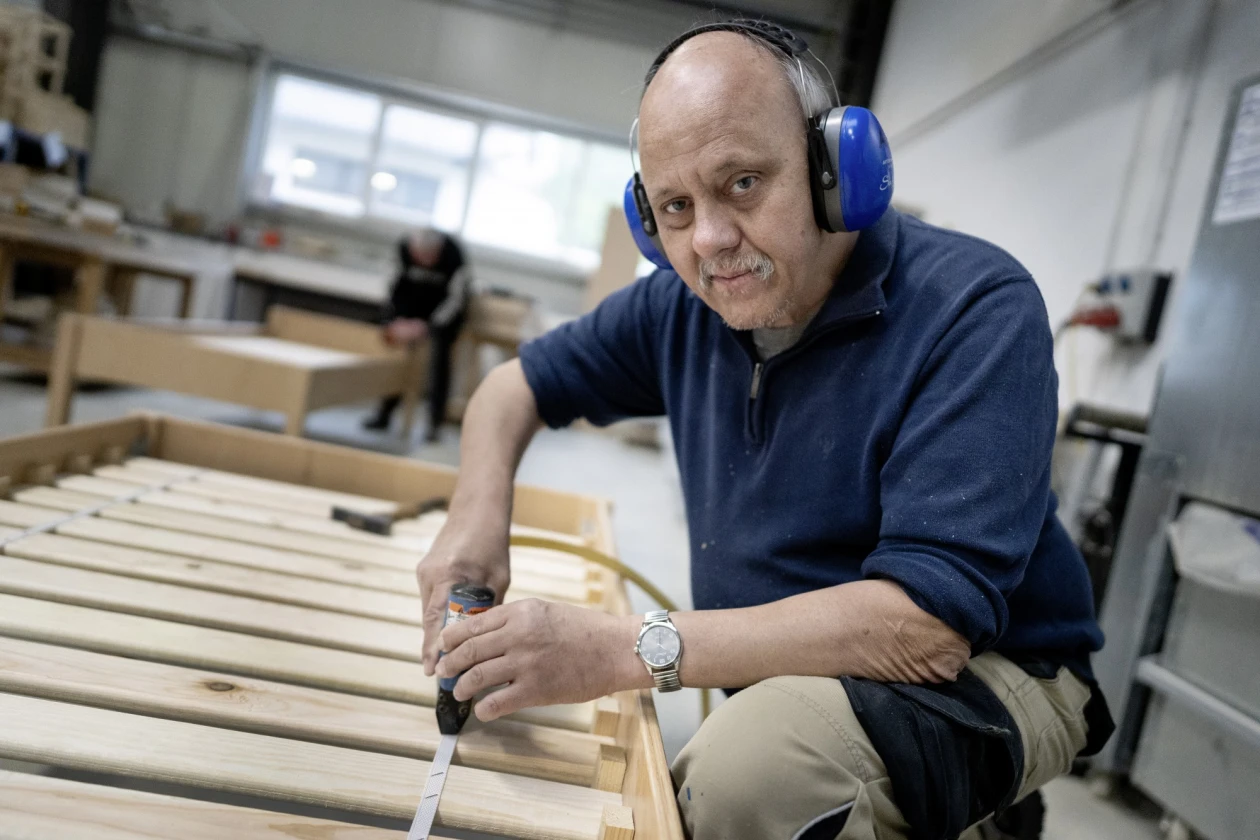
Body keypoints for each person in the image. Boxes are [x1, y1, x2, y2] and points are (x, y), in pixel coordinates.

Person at [417, 19, 1113, 840]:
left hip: (996, 664)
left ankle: (972, 800)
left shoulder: (975, 308)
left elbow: (925, 628)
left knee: (752, 773)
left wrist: (619, 648)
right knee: (764, 735)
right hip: (801, 670)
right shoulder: (684, 304)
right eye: (675, 207)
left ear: (835, 170)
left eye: (742, 182)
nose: (709, 240)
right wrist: (474, 520)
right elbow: (513, 386)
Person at [364, 228, 470, 442]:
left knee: (440, 362)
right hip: (408, 311)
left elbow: (456, 301)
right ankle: (384, 413)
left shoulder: (454, 256)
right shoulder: (402, 250)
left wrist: (429, 326)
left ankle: (434, 423)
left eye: (429, 257)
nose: (423, 262)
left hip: (441, 316)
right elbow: (392, 287)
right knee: (398, 356)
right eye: (419, 257)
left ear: (438, 250)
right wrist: (397, 320)